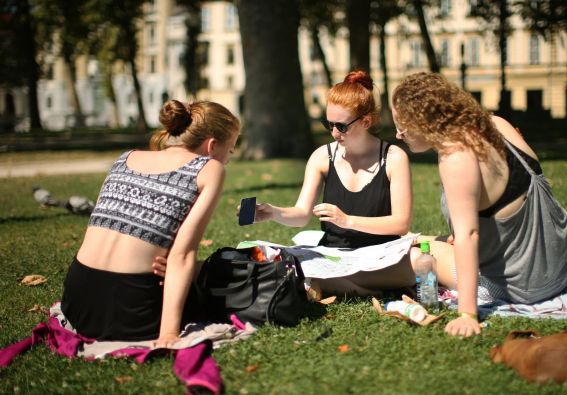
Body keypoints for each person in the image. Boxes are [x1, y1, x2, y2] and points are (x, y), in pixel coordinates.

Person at [392, 72, 567, 337]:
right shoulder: (496, 124)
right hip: (561, 259)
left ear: (423, 120)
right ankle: (415, 239)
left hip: (528, 282)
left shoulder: (456, 157)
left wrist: (467, 313)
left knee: (412, 255)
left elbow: (469, 234)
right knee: (418, 239)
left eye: (403, 124)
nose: (399, 134)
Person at [61, 100, 240, 347]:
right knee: (210, 281)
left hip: (77, 300)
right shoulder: (209, 169)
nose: (228, 160)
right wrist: (168, 334)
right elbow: (182, 255)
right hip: (132, 311)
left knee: (194, 271)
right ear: (212, 145)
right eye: (230, 150)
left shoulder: (126, 157)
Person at [253, 70, 416, 296]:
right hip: (336, 256)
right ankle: (357, 286)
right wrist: (272, 212)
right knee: (279, 260)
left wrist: (347, 221)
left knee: (418, 261)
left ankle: (341, 286)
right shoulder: (322, 157)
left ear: (366, 121)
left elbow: (401, 224)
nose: (334, 133)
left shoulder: (394, 157)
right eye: (328, 124)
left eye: (341, 126)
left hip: (382, 254)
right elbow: (301, 214)